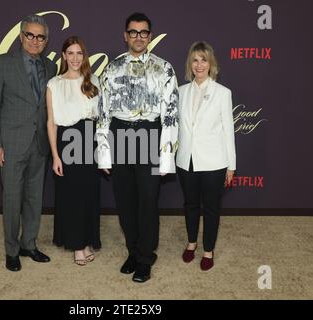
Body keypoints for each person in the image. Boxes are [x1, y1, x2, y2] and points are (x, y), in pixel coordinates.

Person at [97, 12, 179, 282]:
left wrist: (167, 157)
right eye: (133, 32)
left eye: (144, 32)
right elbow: (103, 113)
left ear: (150, 36)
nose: (139, 37)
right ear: (125, 35)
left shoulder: (164, 68)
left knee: (147, 200)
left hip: (149, 134)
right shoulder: (112, 68)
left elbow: (170, 115)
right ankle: (133, 250)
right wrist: (104, 153)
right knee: (126, 200)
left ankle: (145, 257)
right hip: (120, 134)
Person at [0, 15, 57, 272]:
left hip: (40, 144)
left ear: (46, 40)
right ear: (21, 36)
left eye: (41, 37)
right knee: (13, 199)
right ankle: (12, 250)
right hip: (11, 144)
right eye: (30, 35)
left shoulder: (50, 67)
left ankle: (29, 244)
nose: (35, 41)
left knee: (34, 198)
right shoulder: (4, 63)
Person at [176, 41, 236, 271]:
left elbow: (228, 131)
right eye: (195, 59)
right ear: (190, 64)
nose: (199, 64)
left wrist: (231, 166)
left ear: (211, 64)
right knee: (190, 204)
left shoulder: (222, 93)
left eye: (204, 59)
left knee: (211, 207)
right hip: (186, 160)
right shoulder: (180, 92)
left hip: (214, 162)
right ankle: (191, 243)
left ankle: (208, 249)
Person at [46, 36, 101, 266]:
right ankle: (77, 245)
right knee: (72, 195)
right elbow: (51, 122)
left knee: (89, 194)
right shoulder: (54, 84)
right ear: (64, 56)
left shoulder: (94, 80)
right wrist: (55, 155)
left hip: (91, 140)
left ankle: (87, 239)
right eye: (71, 53)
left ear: (84, 56)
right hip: (67, 141)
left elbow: (101, 118)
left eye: (80, 53)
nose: (76, 58)